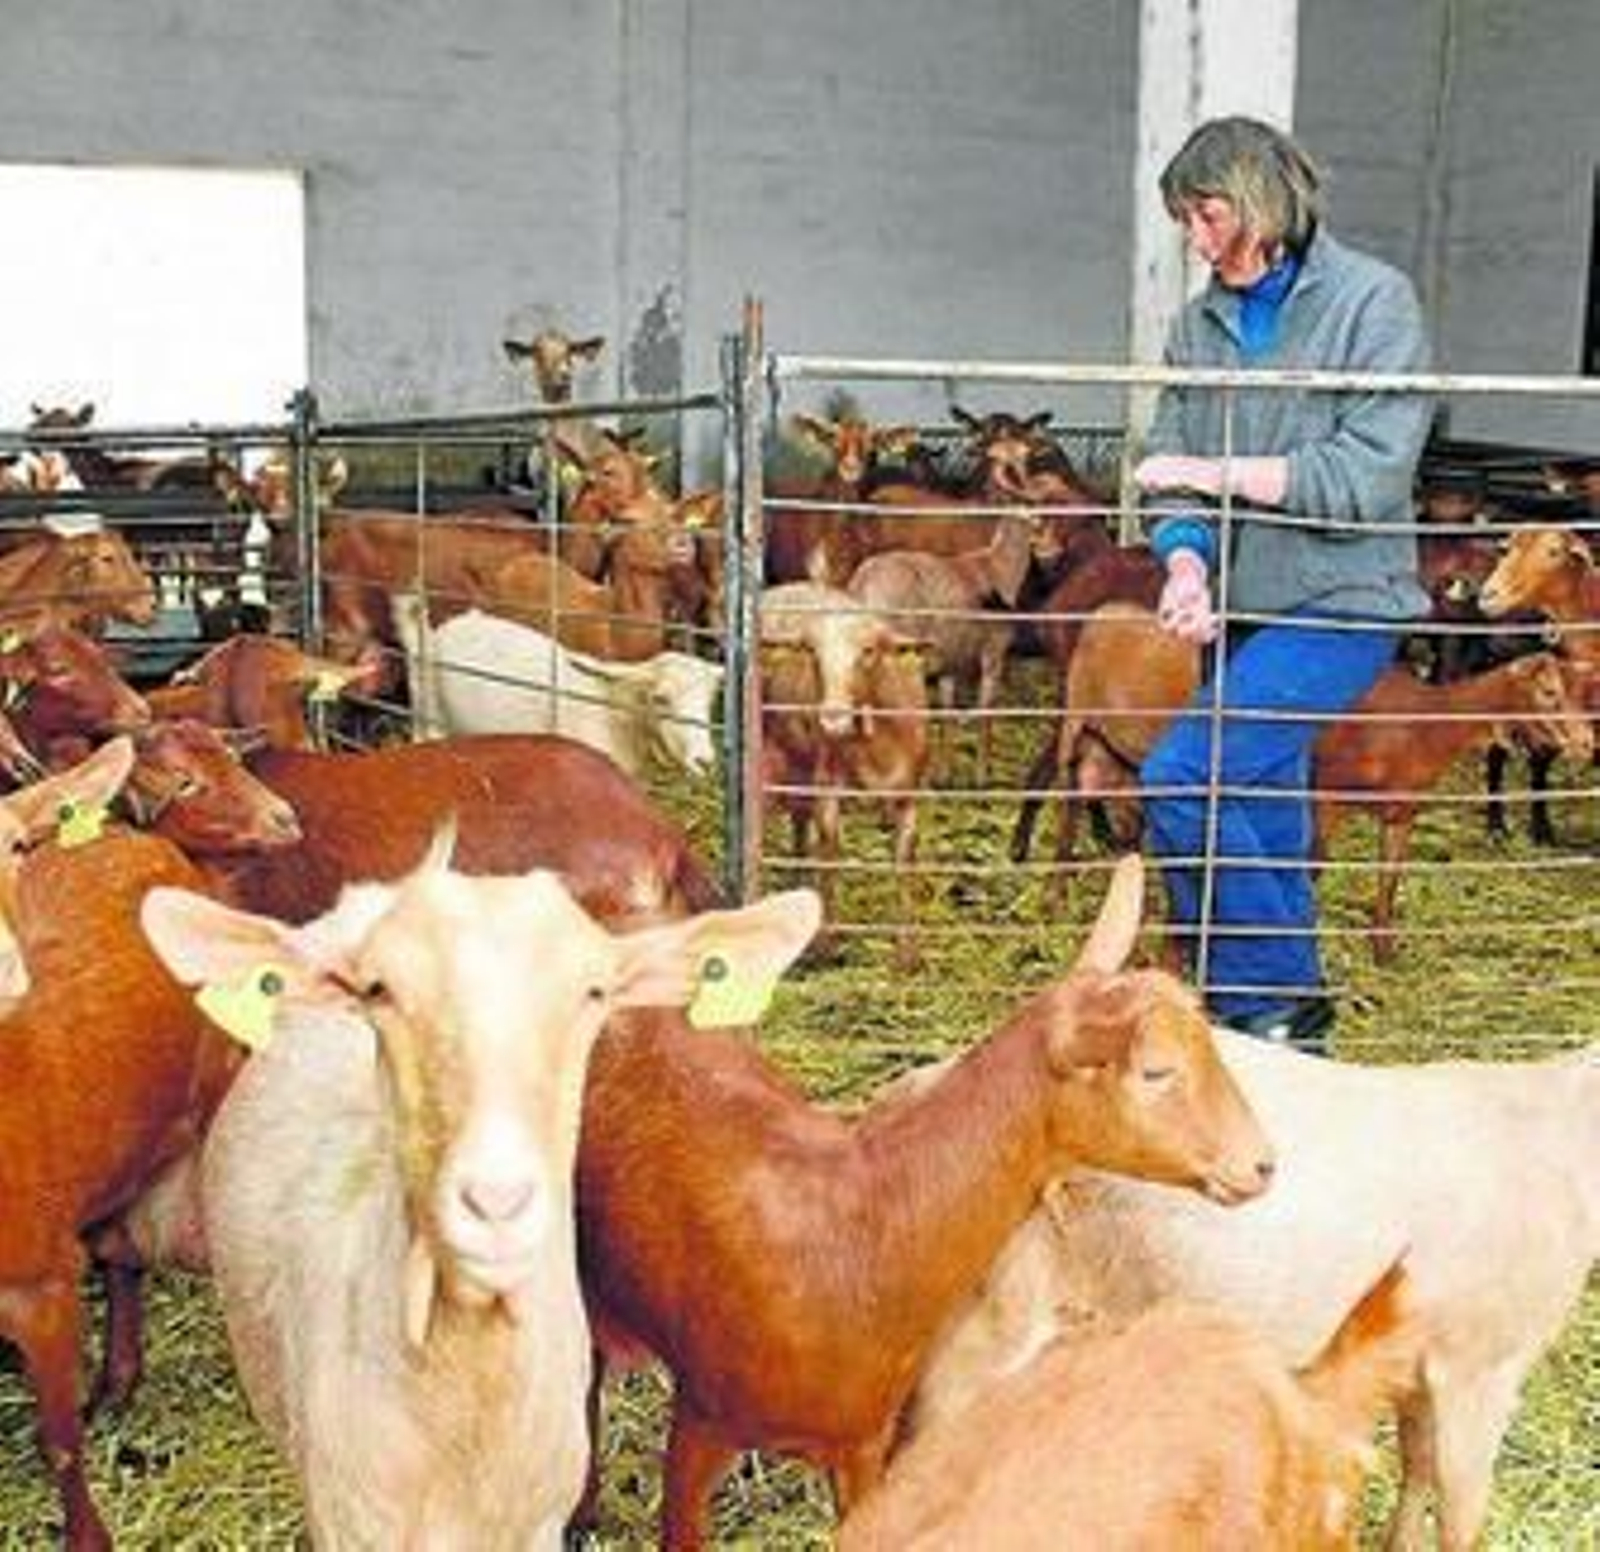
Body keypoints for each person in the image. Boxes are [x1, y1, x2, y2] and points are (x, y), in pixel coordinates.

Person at [1132, 116, 1432, 1051]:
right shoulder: (1199, 325)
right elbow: (1164, 467)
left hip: (1345, 599)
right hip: (1237, 603)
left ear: (1262, 203)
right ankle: (1295, 1047)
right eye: (1186, 219)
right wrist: (1185, 562)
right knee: (1255, 802)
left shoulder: (1372, 303)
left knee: (1183, 777)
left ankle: (1264, 1005)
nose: (1196, 239)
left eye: (1208, 214)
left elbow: (1365, 475)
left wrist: (1220, 477)